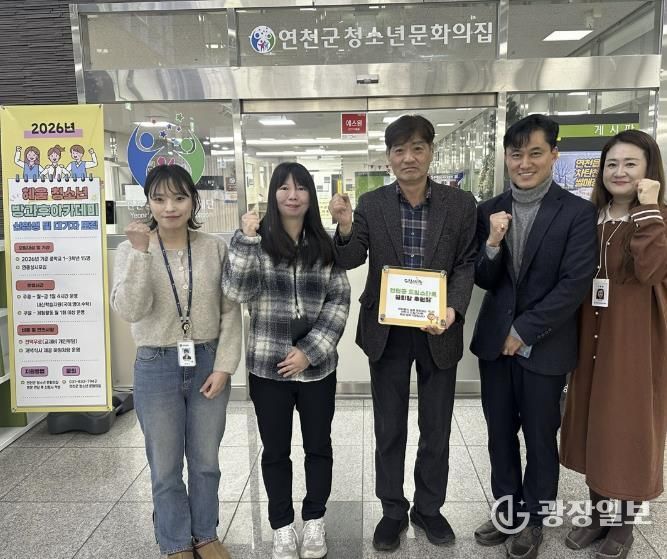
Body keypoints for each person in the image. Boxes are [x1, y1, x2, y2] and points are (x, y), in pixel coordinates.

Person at [328, 114, 477, 552]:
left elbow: (466, 262)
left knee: (437, 426)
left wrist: (453, 308)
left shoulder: (459, 203)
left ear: (431, 151)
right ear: (389, 156)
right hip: (387, 331)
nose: (408, 157)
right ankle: (392, 510)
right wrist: (344, 225)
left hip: (438, 328)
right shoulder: (372, 204)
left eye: (417, 148)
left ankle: (428, 508)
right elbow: (351, 258)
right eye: (399, 150)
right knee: (389, 426)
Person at [470, 114, 597, 559]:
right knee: (499, 434)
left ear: (554, 155)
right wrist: (491, 243)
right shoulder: (489, 209)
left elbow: (574, 284)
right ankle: (508, 513)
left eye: (535, 153)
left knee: (540, 440)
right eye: (516, 154)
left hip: (545, 346)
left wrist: (522, 331)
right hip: (494, 347)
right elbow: (484, 278)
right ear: (506, 158)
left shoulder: (578, 213)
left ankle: (535, 520)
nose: (524, 163)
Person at [111, 164, 241, 559]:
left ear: (193, 201)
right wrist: (140, 254)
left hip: (206, 361)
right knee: (165, 464)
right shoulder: (131, 249)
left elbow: (230, 310)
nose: (170, 207)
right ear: (148, 203)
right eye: (160, 198)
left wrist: (224, 366)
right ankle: (175, 541)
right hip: (155, 364)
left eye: (179, 197)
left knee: (206, 461)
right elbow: (131, 310)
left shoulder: (213, 247)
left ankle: (205, 534)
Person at [223, 162, 350, 559]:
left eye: (301, 188)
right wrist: (245, 241)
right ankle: (281, 525)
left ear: (311, 196)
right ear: (273, 194)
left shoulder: (324, 245)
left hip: (317, 370)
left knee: (318, 447)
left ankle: (314, 520)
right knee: (275, 451)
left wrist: (309, 351)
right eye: (284, 188)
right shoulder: (256, 242)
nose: (292, 195)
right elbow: (236, 292)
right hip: (268, 368)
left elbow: (339, 301)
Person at [560, 129, 667, 559]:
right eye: (612, 164)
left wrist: (648, 208)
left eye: (630, 164)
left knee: (627, 425)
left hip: (633, 341)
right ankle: (599, 515)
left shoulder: (657, 217)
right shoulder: (592, 217)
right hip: (591, 336)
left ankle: (623, 525)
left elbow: (650, 270)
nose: (619, 172)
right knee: (594, 422)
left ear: (649, 170)